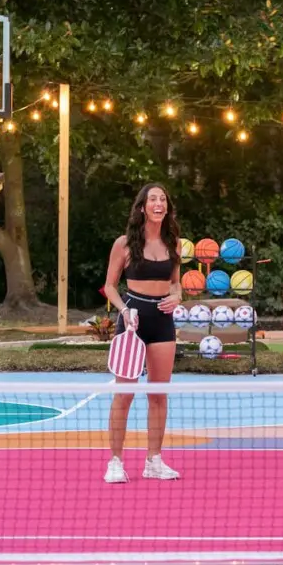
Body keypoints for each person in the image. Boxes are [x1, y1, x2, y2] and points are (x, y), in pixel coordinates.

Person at [102, 182, 184, 484]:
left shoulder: (174, 243)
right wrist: (124, 311)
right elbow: (110, 286)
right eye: (153, 199)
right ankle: (115, 462)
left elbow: (175, 283)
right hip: (132, 321)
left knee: (159, 395)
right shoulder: (124, 244)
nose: (158, 203)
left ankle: (154, 461)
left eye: (163, 199)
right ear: (142, 207)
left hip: (162, 321)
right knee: (124, 394)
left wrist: (177, 296)